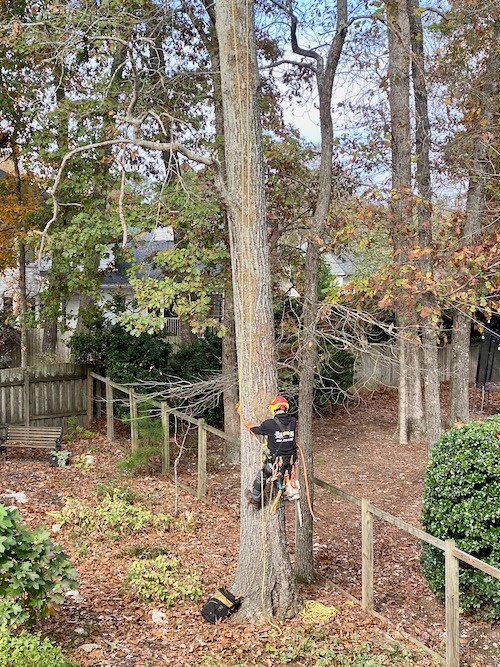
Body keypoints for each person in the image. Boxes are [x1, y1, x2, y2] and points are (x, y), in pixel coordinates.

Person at [247, 395, 298, 508]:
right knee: (282, 478)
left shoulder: (269, 424)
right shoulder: (293, 421)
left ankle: (256, 500)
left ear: (273, 408)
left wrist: (250, 428)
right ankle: (284, 490)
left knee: (261, 478)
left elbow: (257, 430)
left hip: (275, 463)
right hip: (289, 463)